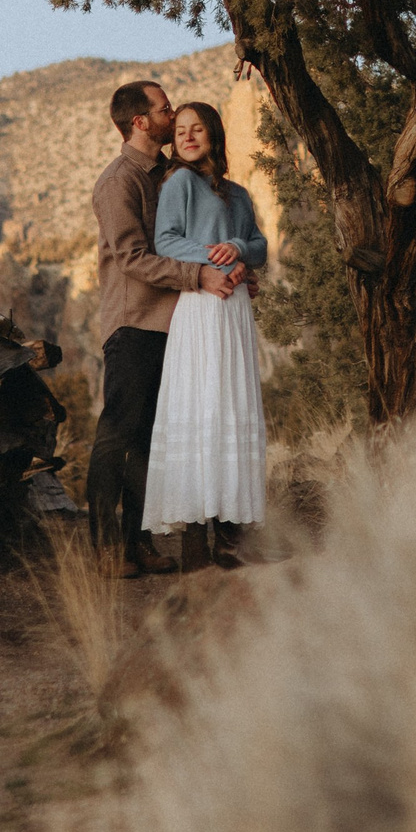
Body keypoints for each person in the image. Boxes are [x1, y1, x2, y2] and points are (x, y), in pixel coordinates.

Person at [88, 80, 239, 577]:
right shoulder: (119, 181)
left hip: (178, 324)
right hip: (134, 323)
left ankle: (140, 543)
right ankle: (107, 548)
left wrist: (232, 270)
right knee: (117, 434)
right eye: (164, 108)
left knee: (152, 438)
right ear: (140, 122)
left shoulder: (172, 175)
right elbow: (132, 258)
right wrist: (198, 275)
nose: (172, 115)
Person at [140, 100, 268, 568]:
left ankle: (231, 537)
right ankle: (198, 539)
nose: (188, 136)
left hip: (233, 311)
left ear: (214, 132)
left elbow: (260, 246)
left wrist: (238, 249)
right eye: (180, 130)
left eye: (197, 128)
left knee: (231, 405)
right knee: (203, 405)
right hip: (200, 306)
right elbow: (166, 240)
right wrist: (216, 259)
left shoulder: (238, 193)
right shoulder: (179, 182)